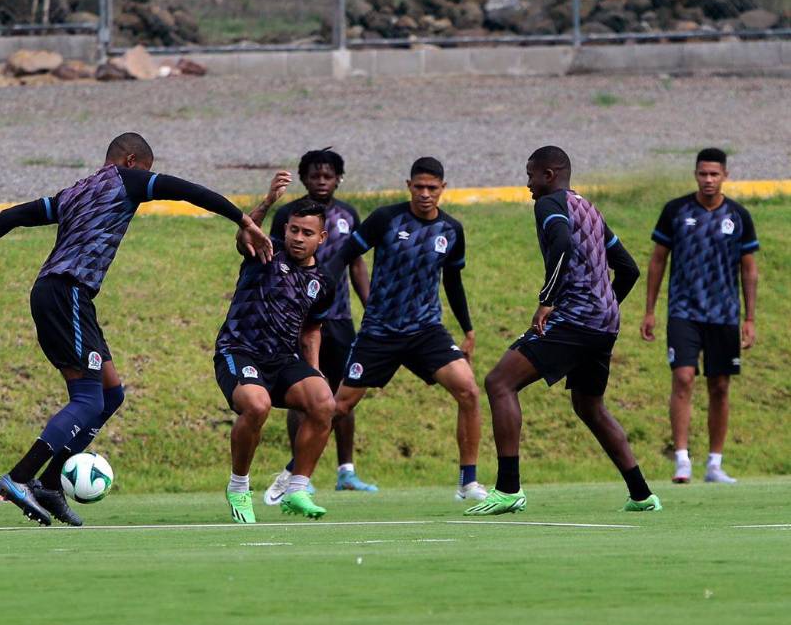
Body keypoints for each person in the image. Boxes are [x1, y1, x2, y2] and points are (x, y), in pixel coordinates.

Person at [0, 132, 273, 527]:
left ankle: (50, 482)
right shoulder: (125, 178)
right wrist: (242, 219)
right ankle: (20, 477)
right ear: (132, 160)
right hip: (66, 291)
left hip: (67, 296)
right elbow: (185, 190)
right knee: (87, 400)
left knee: (110, 392)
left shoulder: (72, 194)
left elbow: (15, 215)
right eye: (146, 173)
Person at [468, 145, 660, 515]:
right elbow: (629, 268)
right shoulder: (589, 209)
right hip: (603, 325)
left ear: (549, 175)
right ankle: (642, 494)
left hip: (575, 319)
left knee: (499, 382)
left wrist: (548, 298)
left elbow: (560, 242)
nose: (527, 185)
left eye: (530, 175)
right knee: (589, 406)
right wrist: (604, 306)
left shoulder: (549, 204)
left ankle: (508, 489)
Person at [324, 157, 487, 502]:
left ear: (444, 189)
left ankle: (468, 483)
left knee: (469, 392)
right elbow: (343, 256)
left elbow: (453, 281)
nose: (425, 194)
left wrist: (468, 329)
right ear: (408, 186)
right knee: (338, 407)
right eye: (419, 187)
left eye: (432, 188)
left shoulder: (452, 230)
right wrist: (320, 293)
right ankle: (294, 477)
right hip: (380, 331)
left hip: (426, 330)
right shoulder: (386, 218)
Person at [245, 149, 375, 503]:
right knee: (305, 397)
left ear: (338, 179)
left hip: (339, 318)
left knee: (340, 394)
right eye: (315, 175)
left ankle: (346, 471)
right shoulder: (289, 215)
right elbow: (267, 256)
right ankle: (303, 472)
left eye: (328, 176)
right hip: (297, 320)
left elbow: (358, 266)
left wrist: (370, 307)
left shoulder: (348, 215)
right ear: (304, 178)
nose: (322, 181)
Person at [214, 196, 336, 524]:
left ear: (321, 238)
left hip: (282, 360)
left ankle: (297, 488)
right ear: (285, 229)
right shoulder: (267, 252)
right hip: (238, 351)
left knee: (324, 402)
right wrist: (267, 202)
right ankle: (239, 485)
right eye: (294, 230)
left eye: (307, 233)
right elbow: (244, 234)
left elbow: (311, 332)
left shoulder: (323, 283)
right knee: (257, 405)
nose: (298, 237)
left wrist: (315, 372)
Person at [640, 148, 759, 484]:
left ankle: (714, 464)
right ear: (695, 174)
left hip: (724, 314)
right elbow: (657, 261)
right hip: (684, 311)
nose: (708, 180)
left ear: (725, 176)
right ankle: (682, 460)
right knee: (683, 378)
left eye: (714, 174)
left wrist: (750, 318)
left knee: (720, 386)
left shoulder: (738, 216)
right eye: (703, 174)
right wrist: (649, 310)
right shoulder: (676, 211)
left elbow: (749, 270)